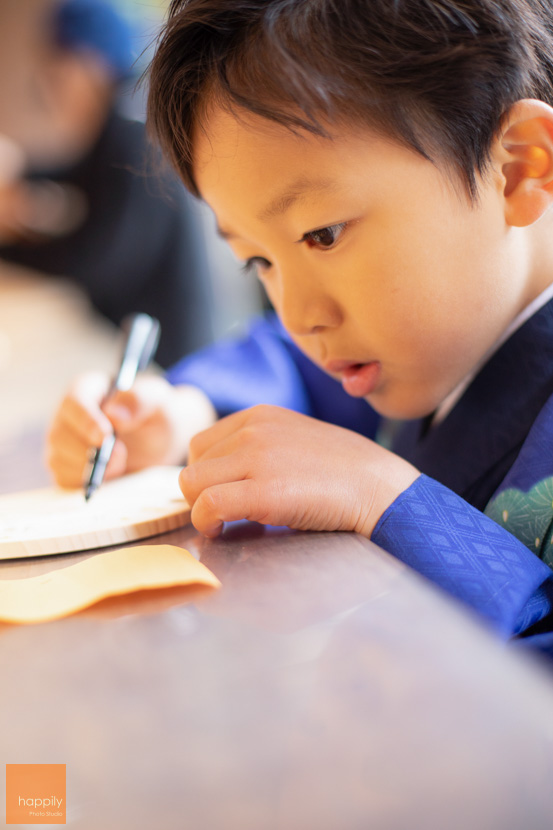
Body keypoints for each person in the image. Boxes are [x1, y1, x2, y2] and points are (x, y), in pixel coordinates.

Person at [47, 0, 553, 656]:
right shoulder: (422, 343)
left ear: (517, 167)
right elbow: (290, 365)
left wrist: (382, 494)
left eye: (322, 234)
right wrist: (181, 413)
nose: (298, 313)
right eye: (258, 260)